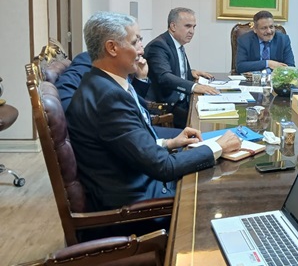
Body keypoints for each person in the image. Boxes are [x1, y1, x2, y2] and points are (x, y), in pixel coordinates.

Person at [66, 12, 241, 236]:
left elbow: (132, 136)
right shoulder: (108, 97)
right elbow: (163, 167)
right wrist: (217, 147)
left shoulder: (104, 82)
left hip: (139, 180)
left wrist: (169, 142)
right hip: (136, 205)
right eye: (135, 41)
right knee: (219, 194)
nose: (142, 50)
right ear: (112, 48)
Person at [145, 7, 218, 128]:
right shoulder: (158, 46)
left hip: (183, 101)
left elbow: (173, 68)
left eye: (194, 27)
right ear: (173, 26)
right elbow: (164, 76)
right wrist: (194, 86)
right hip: (169, 106)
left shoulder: (177, 43)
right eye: (188, 26)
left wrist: (190, 72)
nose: (192, 31)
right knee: (206, 125)